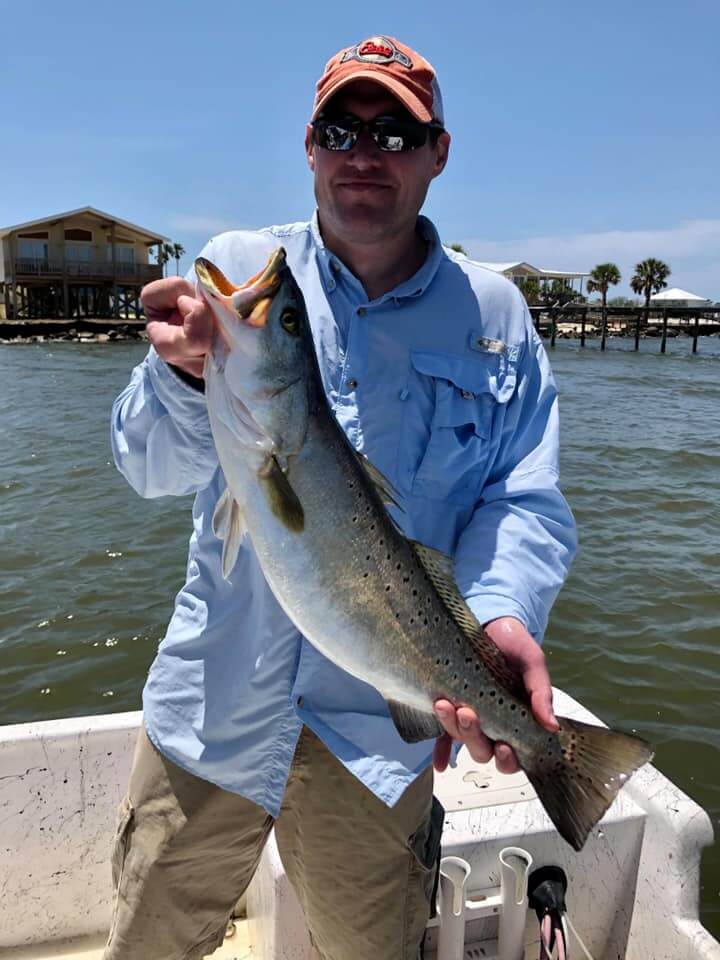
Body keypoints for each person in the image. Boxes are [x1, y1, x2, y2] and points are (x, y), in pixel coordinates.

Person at [107, 35, 577, 960]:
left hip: (380, 728)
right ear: (309, 145)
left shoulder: (494, 316)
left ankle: (571, 769)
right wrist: (186, 375)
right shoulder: (243, 269)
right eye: (341, 127)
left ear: (439, 152)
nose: (365, 151)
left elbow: (523, 498)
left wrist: (499, 614)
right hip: (212, 708)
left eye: (396, 133)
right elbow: (146, 469)